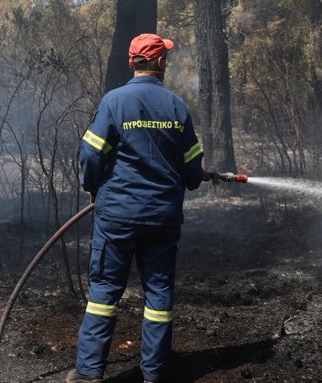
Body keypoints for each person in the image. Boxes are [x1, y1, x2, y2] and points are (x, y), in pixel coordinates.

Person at [66, 33, 207, 383]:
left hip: (117, 215)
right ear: (160, 63)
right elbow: (192, 167)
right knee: (159, 296)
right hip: (162, 218)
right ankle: (155, 374)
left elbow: (90, 153)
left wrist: (92, 186)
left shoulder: (114, 102)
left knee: (103, 293)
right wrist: (192, 177)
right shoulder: (176, 107)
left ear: (132, 62)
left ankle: (88, 374)